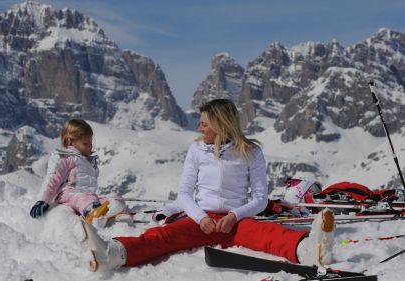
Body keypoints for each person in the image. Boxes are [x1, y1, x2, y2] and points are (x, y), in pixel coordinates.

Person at [80, 99, 335, 272]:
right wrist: (201, 218)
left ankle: (310, 250)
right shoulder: (196, 150)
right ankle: (113, 253)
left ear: (221, 125)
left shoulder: (251, 152)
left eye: (204, 123)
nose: (200, 128)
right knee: (163, 237)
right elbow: (184, 193)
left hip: (237, 221)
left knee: (266, 236)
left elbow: (260, 198)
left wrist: (235, 215)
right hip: (202, 220)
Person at [29, 119, 126, 225]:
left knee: (112, 197)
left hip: (87, 196)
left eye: (90, 143)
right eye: (85, 143)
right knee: (83, 198)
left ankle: (112, 209)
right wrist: (43, 200)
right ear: (69, 142)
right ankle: (92, 214)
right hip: (68, 194)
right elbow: (52, 178)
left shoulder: (87, 161)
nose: (90, 146)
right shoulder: (65, 157)